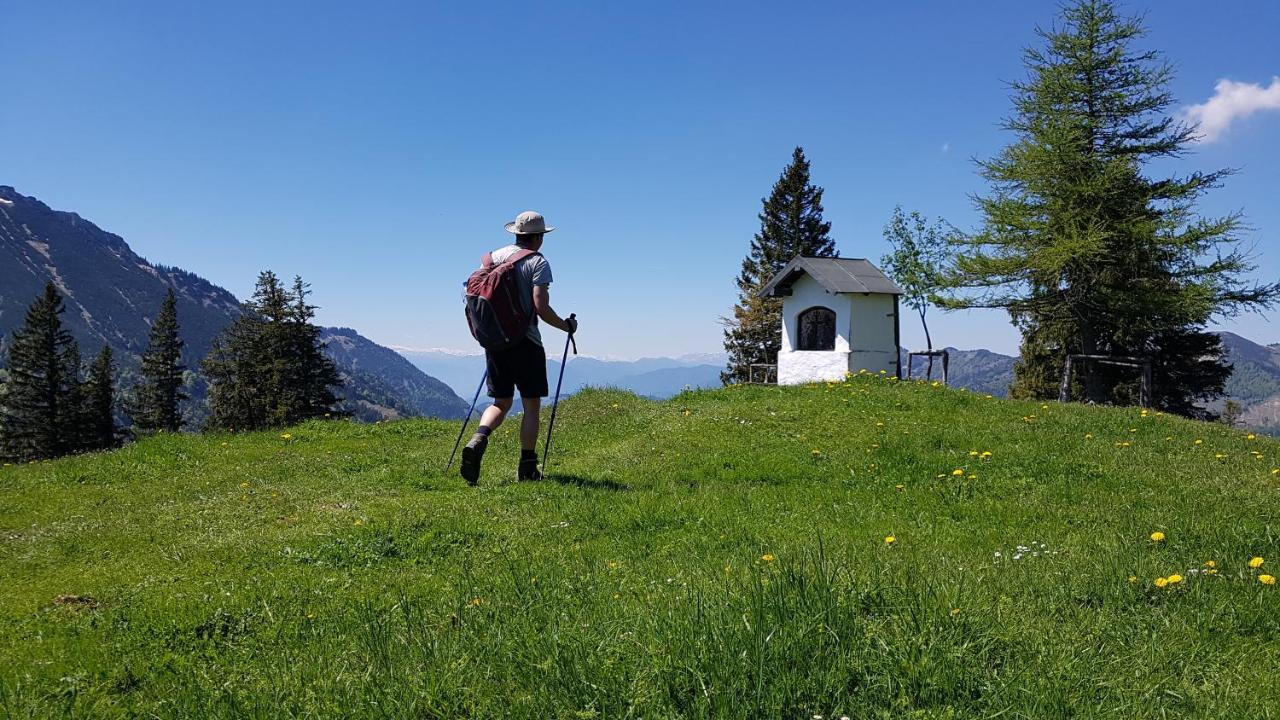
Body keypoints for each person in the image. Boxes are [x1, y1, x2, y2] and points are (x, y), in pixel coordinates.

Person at [461, 211, 577, 484]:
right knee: (531, 406)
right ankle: (527, 468)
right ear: (538, 237)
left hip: (495, 340)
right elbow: (540, 306)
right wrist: (565, 326)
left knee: (500, 401)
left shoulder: (491, 259)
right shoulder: (537, 262)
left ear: (515, 233)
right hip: (526, 342)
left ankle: (479, 437)